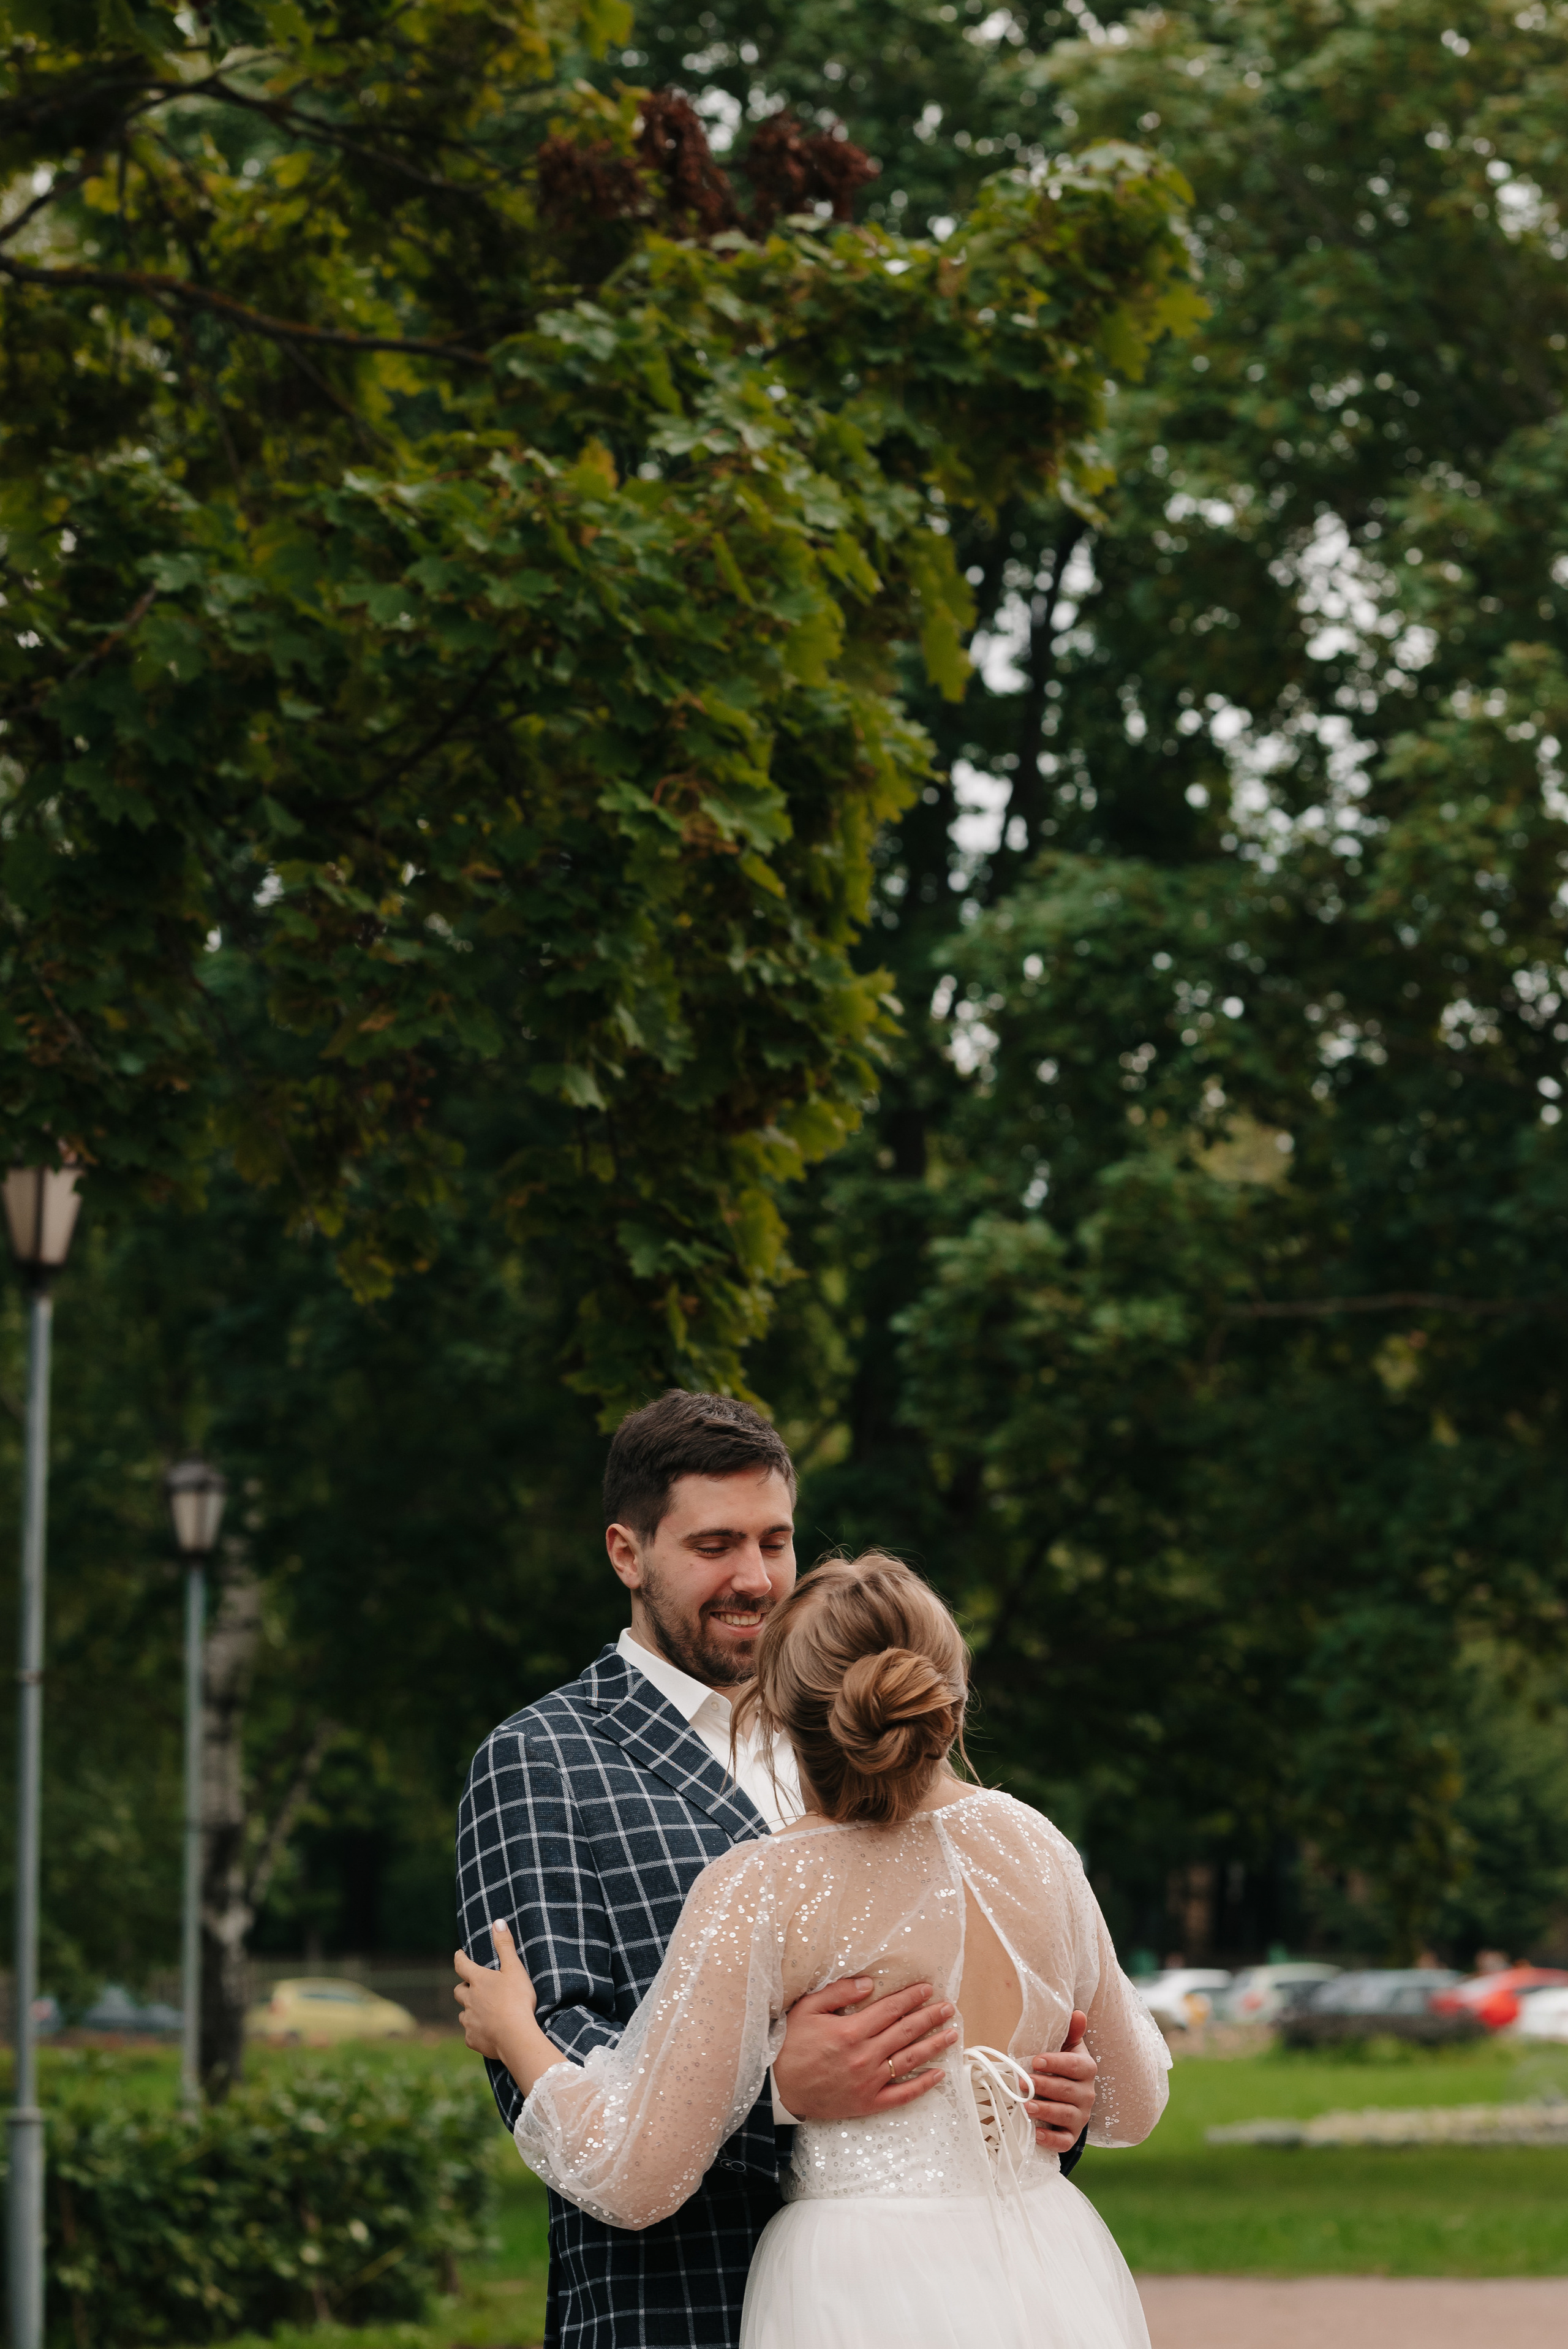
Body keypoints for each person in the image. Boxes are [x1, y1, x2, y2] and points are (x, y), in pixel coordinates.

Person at [455, 1393, 1101, 2348]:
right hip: (684, 2305)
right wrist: (777, 2090)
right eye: (715, 1544)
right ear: (626, 1552)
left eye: (775, 1540)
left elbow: (971, 1990)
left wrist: (1045, 2091)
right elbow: (555, 2043)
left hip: (949, 2302)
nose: (755, 1578)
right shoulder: (539, 1759)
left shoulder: (872, 1740)